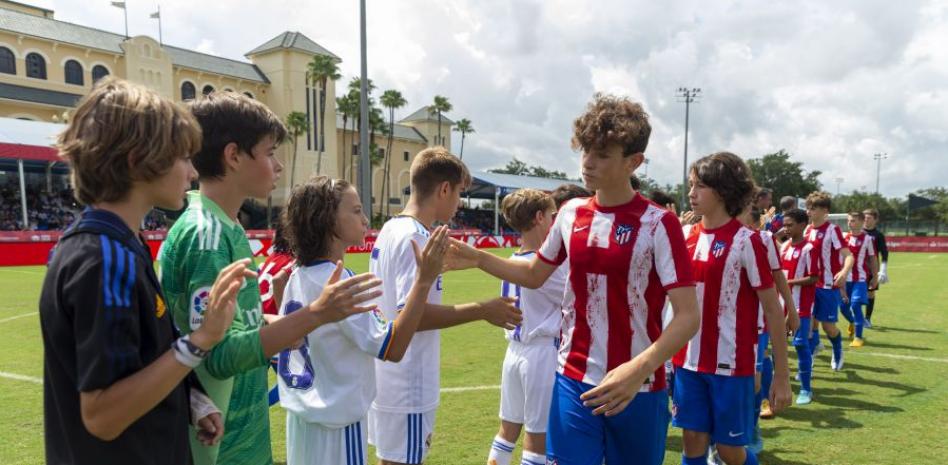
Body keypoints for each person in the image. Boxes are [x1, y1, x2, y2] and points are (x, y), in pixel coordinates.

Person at [448, 94, 700, 465]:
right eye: (585, 150)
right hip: (573, 377)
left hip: (638, 386)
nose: (588, 162)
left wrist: (640, 368)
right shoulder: (570, 213)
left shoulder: (658, 223)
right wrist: (477, 258)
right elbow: (535, 274)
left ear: (634, 162)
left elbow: (687, 315)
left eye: (602, 154)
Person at [39, 77, 254, 465]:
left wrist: (192, 397)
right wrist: (201, 340)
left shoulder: (124, 244)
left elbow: (145, 355)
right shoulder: (103, 260)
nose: (192, 173)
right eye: (183, 157)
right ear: (139, 160)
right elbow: (103, 415)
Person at [161, 91, 382, 465]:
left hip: (244, 435)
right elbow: (215, 353)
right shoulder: (206, 236)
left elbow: (236, 325)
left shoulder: (226, 227)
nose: (278, 166)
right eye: (269, 153)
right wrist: (315, 316)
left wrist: (289, 322)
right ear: (233, 156)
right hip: (221, 445)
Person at [277, 176, 449, 465]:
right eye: (356, 211)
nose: (365, 218)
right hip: (338, 428)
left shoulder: (297, 276)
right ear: (328, 221)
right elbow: (392, 348)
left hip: (302, 423)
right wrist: (423, 281)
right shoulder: (340, 283)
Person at [368, 146, 522, 465]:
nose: (460, 203)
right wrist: (483, 309)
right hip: (407, 381)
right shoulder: (418, 237)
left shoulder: (390, 229)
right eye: (459, 193)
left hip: (386, 378)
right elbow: (414, 315)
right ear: (444, 189)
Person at [673, 152, 792, 465]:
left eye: (699, 186)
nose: (691, 193)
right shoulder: (683, 237)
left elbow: (772, 310)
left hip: (731, 365)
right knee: (692, 441)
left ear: (723, 191)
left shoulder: (747, 242)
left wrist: (781, 375)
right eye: (690, 185)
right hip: (687, 362)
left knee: (729, 451)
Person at [486, 189, 565, 465]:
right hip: (541, 355)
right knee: (537, 438)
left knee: (507, 432)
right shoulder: (544, 267)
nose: (556, 221)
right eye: (553, 215)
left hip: (515, 352)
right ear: (540, 217)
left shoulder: (511, 260)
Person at [803, 191, 855, 371]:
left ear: (825, 210)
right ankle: (808, 363)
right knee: (808, 324)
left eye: (813, 208)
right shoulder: (807, 230)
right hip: (809, 285)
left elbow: (848, 256)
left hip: (827, 286)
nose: (809, 211)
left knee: (828, 326)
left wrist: (843, 272)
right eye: (808, 208)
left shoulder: (832, 230)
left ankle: (838, 349)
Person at [778, 209, 818, 405]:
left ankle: (806, 389)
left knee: (800, 345)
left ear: (802, 225)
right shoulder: (784, 246)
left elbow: (814, 277)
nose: (786, 228)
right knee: (778, 345)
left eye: (790, 225)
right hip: (781, 305)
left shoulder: (809, 249)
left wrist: (790, 282)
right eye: (785, 225)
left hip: (801, 305)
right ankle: (779, 383)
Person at [841, 212, 877, 347]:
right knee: (843, 308)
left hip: (860, 279)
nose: (850, 223)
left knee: (855, 305)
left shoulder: (868, 239)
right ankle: (853, 322)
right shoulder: (843, 237)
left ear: (862, 222)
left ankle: (858, 337)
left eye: (853, 221)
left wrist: (875, 276)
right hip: (844, 279)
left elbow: (873, 258)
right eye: (849, 220)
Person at [862, 208, 889, 327]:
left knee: (870, 293)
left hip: (872, 269)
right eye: (864, 217)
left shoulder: (878, 235)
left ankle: (867, 319)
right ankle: (856, 318)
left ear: (875, 220)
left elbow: (884, 252)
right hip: (857, 269)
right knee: (853, 294)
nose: (866, 220)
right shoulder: (857, 232)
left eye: (869, 218)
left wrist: (883, 269)